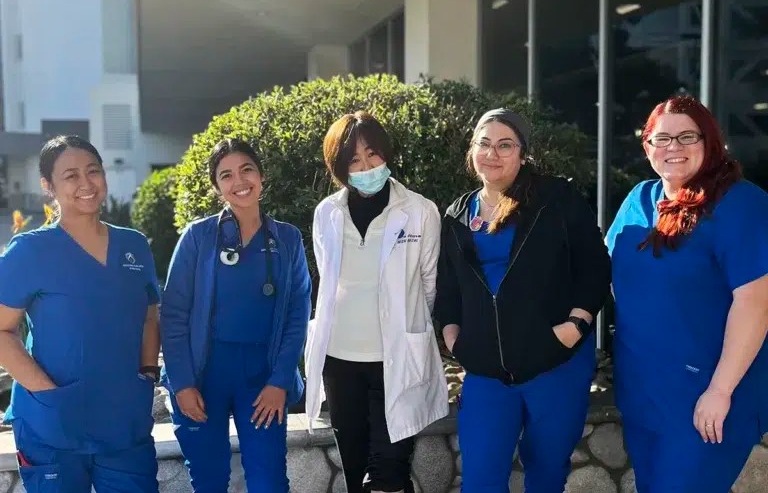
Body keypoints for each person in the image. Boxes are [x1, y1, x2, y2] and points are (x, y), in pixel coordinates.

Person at [435, 109, 611, 492]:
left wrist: (573, 327)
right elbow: (447, 289)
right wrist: (455, 340)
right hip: (487, 372)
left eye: (505, 145)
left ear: (522, 153)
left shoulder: (555, 199)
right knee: (480, 481)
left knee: (546, 476)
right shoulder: (457, 214)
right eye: (484, 144)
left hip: (556, 365)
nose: (492, 154)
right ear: (472, 150)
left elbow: (595, 266)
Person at [606, 95, 768, 493]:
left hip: (708, 398)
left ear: (709, 141)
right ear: (647, 146)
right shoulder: (639, 198)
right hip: (643, 390)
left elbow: (755, 303)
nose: (673, 147)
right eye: (661, 139)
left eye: (687, 137)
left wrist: (720, 390)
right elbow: (607, 274)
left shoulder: (741, 203)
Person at [0, 135, 161, 492]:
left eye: (93, 171)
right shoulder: (30, 251)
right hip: (52, 426)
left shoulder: (133, 245)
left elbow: (150, 313)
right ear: (48, 186)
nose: (86, 183)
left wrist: (148, 373)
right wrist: (50, 395)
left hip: (123, 422)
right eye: (70, 175)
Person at [304, 111, 448, 493]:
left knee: (389, 475)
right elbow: (329, 281)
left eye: (373, 154)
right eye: (354, 159)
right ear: (339, 168)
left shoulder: (420, 211)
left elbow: (429, 283)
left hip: (395, 358)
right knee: (355, 473)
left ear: (386, 154)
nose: (366, 167)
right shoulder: (326, 213)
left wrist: (408, 323)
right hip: (340, 361)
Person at [160, 138, 311, 492]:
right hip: (204, 373)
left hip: (262, 377)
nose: (239, 181)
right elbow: (174, 314)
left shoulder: (287, 239)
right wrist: (182, 383)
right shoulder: (198, 237)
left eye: (247, 170)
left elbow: (297, 314)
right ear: (217, 187)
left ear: (262, 176)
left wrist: (280, 381)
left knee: (269, 481)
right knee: (209, 481)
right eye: (226, 175)